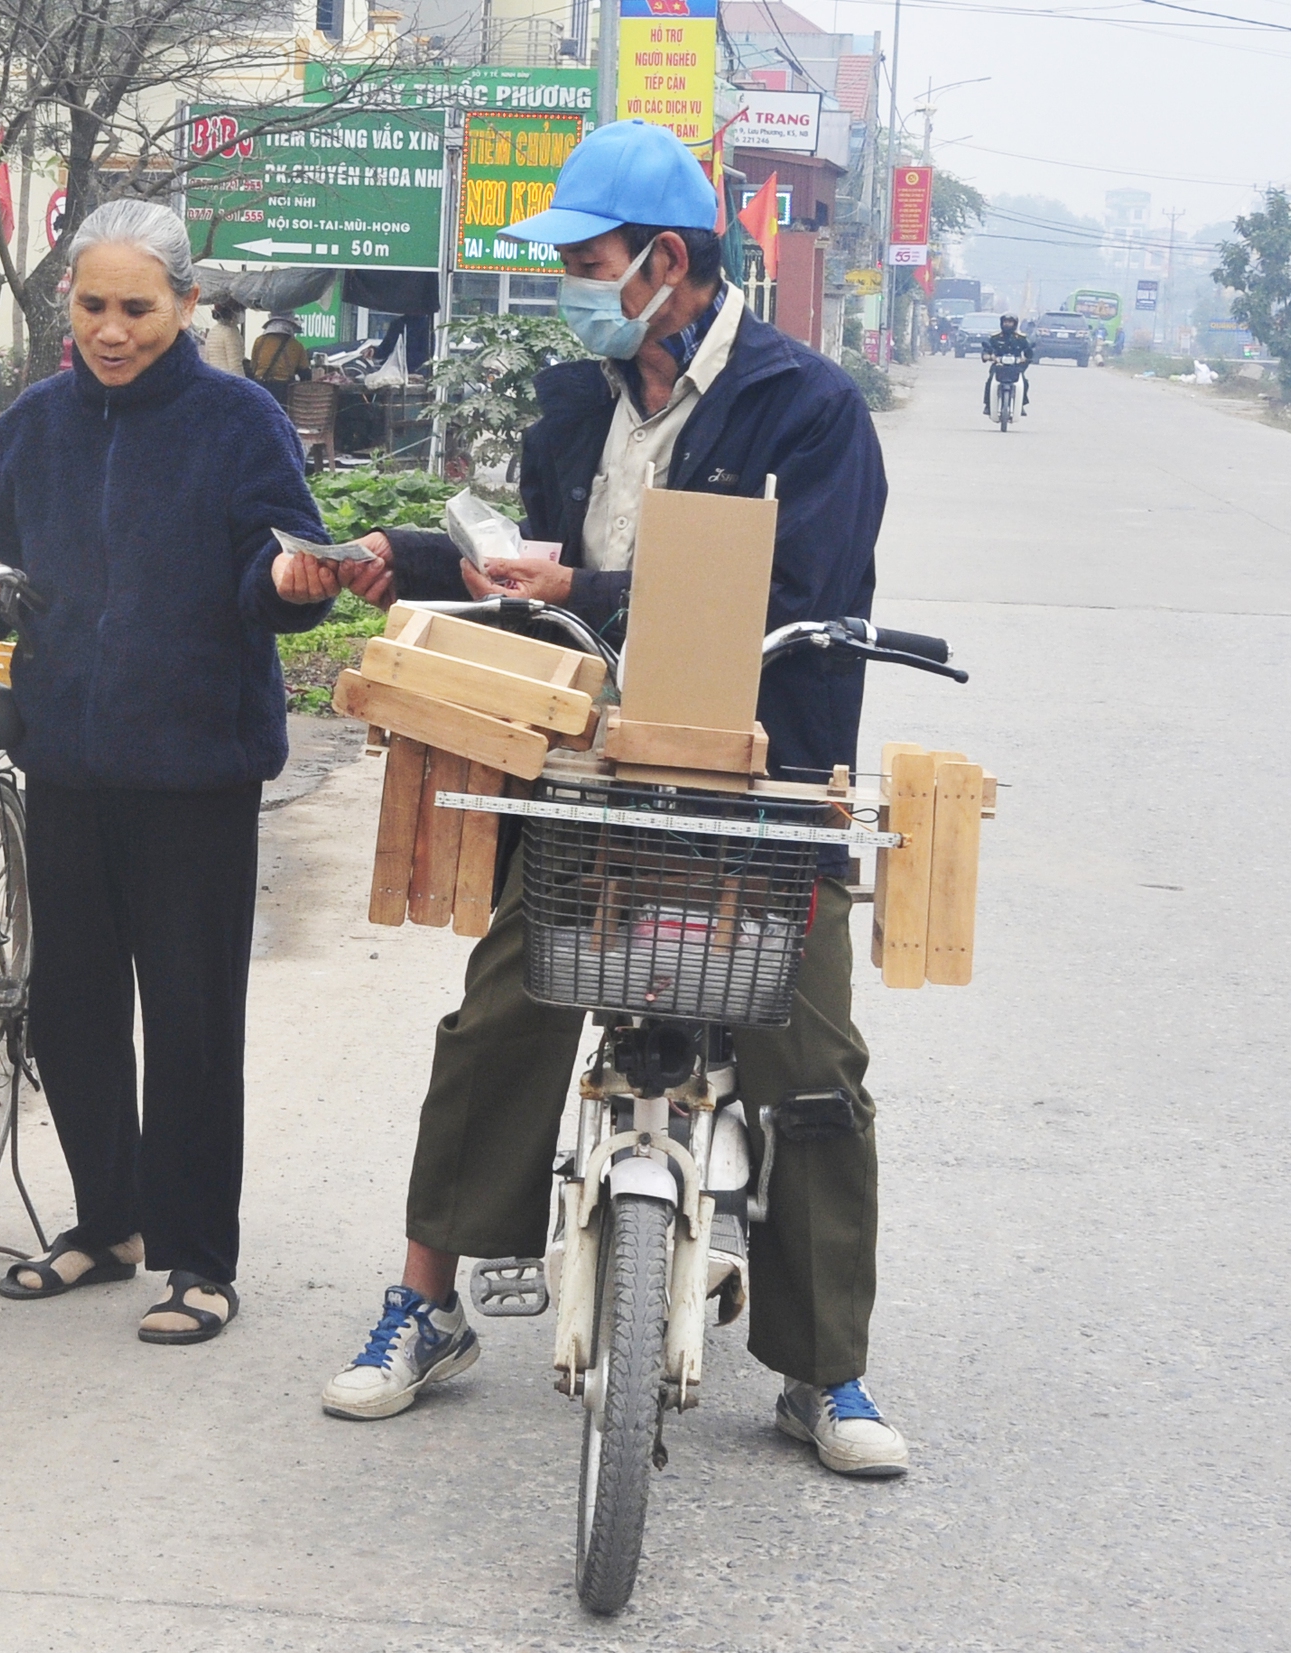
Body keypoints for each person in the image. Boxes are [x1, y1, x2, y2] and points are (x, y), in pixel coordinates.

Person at [317, 119, 911, 1478]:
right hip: (588, 774)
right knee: (494, 1024)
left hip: (762, 787)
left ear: (669, 261)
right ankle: (427, 1301)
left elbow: (800, 598)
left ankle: (827, 1372)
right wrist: (397, 558)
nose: (572, 287)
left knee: (812, 1068)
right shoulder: (578, 400)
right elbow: (526, 579)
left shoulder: (805, 406)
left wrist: (583, 592)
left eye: (588, 261)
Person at [0, 200, 384, 1345]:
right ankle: (107, 1226)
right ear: (68, 306)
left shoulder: (238, 422)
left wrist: (284, 587)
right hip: (68, 760)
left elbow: (278, 555)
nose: (112, 329)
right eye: (92, 306)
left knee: (187, 1022)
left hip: (196, 771)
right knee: (70, 1013)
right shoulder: (35, 425)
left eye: (137, 307)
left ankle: (199, 1259)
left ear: (185, 305)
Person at [982, 312, 1032, 416]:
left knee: (1025, 382)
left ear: (1015, 324)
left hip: (1015, 367)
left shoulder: (1021, 338)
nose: (1007, 324)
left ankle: (1021, 404)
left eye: (1010, 322)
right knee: (989, 381)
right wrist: (987, 356)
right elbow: (987, 349)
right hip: (998, 366)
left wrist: (1026, 358)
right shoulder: (995, 338)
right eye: (1005, 322)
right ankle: (988, 405)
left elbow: (1029, 352)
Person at [250, 312, 308, 395]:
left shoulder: (259, 341)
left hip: (261, 387)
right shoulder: (296, 345)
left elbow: (253, 367)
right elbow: (305, 374)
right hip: (283, 391)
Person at [202, 296, 248, 376]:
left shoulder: (213, 331)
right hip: (228, 382)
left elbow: (207, 359)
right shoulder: (230, 332)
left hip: (215, 378)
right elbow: (235, 365)